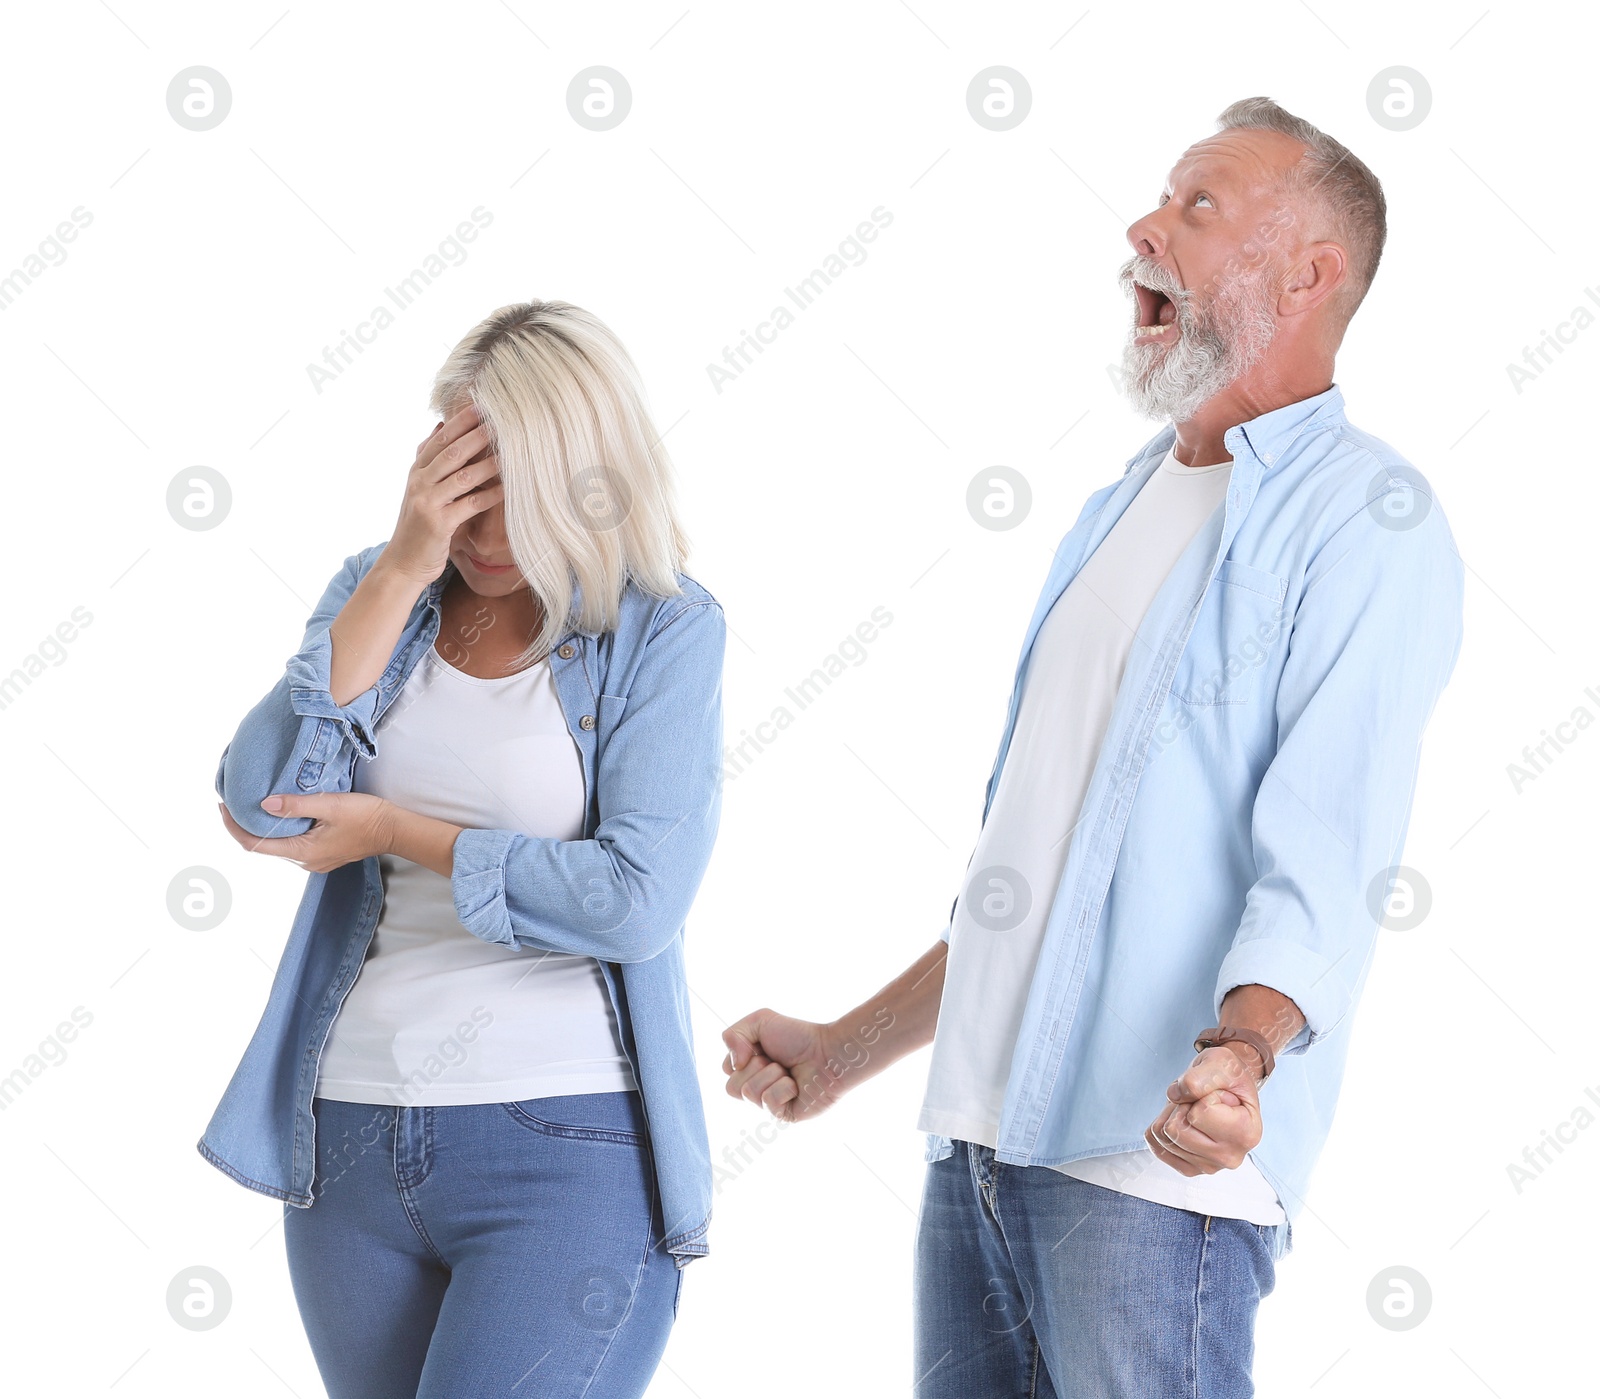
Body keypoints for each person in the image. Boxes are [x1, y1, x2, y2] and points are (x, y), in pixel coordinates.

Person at [722, 97, 1465, 1397]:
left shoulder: (1368, 520)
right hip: (981, 1151)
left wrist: (1239, 1055)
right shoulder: (1117, 507)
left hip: (1150, 1174)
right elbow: (1038, 883)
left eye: (1198, 206)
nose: (1143, 227)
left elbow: (1328, 856)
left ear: (1310, 272)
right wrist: (844, 1049)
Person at [199, 300, 726, 1398]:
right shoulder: (380, 589)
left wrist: (397, 831)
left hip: (563, 1141)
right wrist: (396, 571)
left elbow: (634, 899)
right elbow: (263, 808)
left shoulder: (662, 629)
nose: (482, 539)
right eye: (461, 496)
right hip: (347, 1136)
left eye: (516, 500)